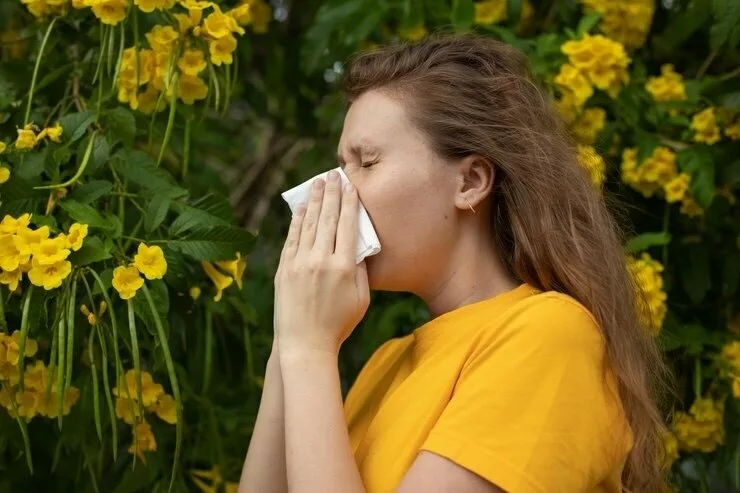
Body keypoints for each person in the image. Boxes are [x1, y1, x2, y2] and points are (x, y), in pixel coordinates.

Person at [239, 33, 670, 493]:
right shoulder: (386, 364)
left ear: (471, 181)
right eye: (341, 168)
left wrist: (309, 351)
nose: (336, 193)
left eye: (366, 162)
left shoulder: (549, 335)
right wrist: (290, 343)